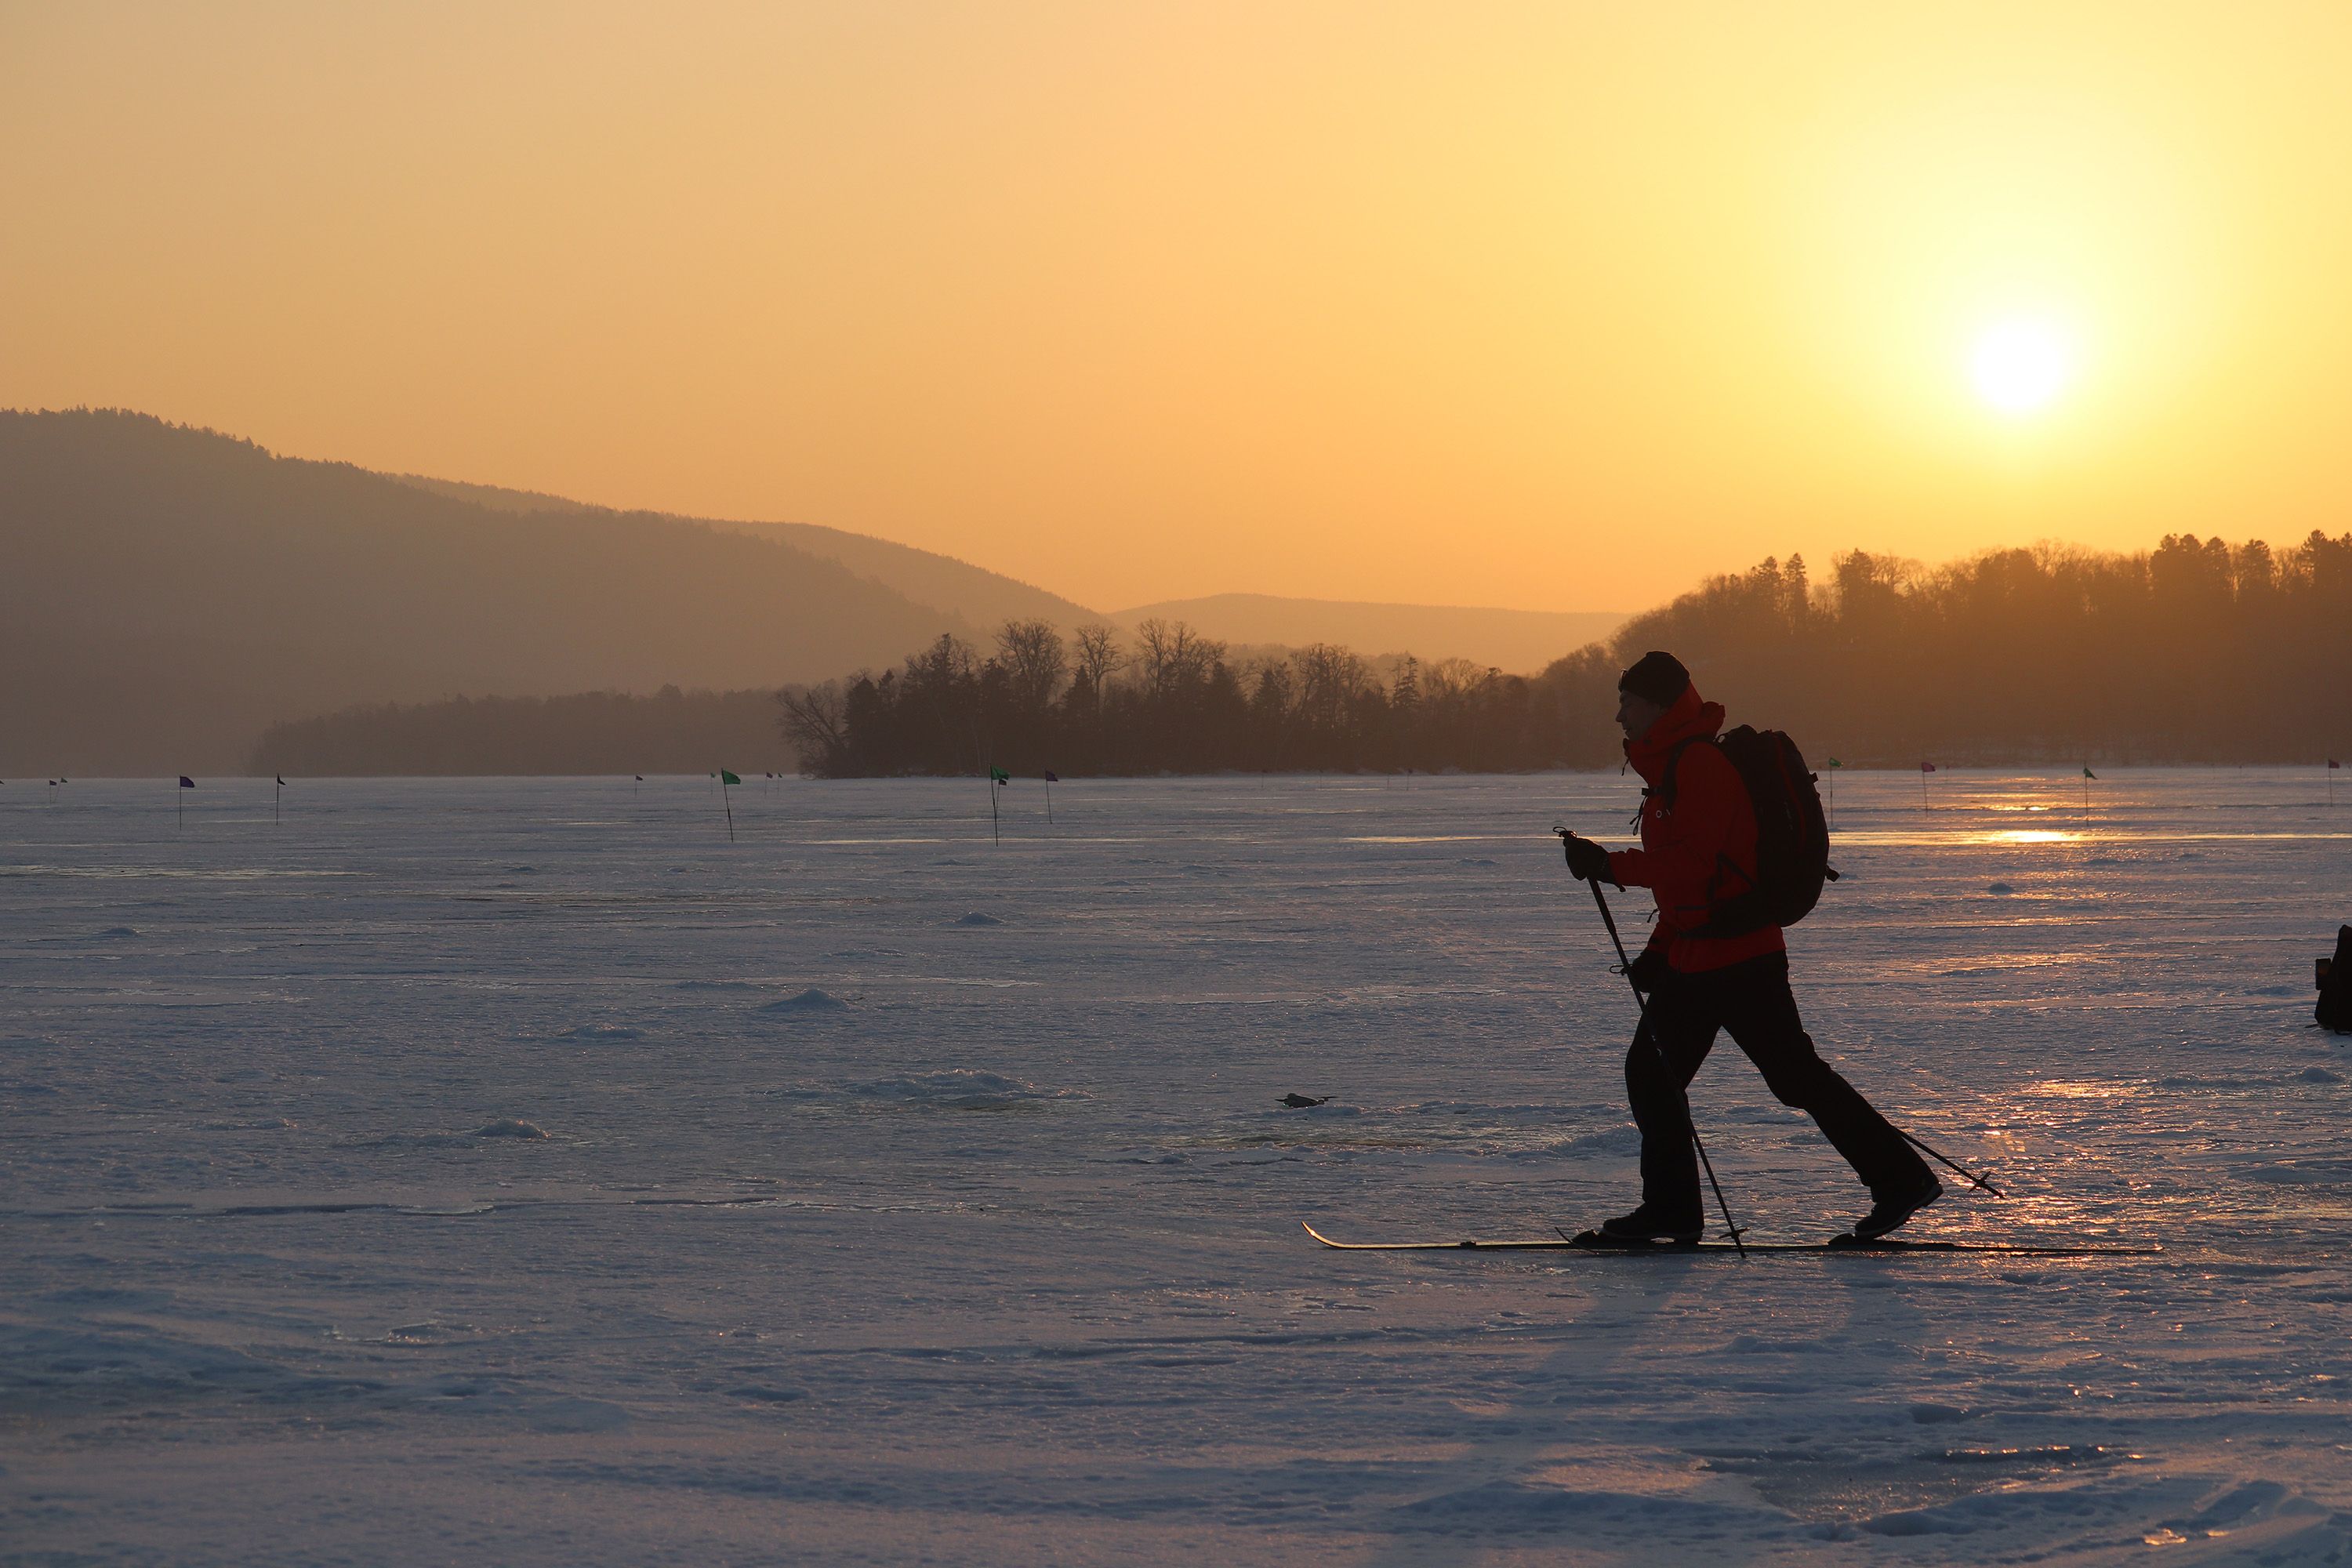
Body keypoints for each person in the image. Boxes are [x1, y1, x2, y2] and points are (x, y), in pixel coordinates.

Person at [1563, 651, 1940, 1243]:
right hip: (1700, 958)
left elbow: (1695, 862)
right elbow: (1693, 881)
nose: (1619, 717)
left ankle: (1899, 1181)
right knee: (1660, 1076)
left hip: (1739, 960)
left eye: (1628, 703)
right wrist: (1661, 949)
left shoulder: (1700, 765)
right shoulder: (1673, 769)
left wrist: (1608, 865)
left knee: (1790, 1077)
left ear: (1660, 706)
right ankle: (1673, 1213)